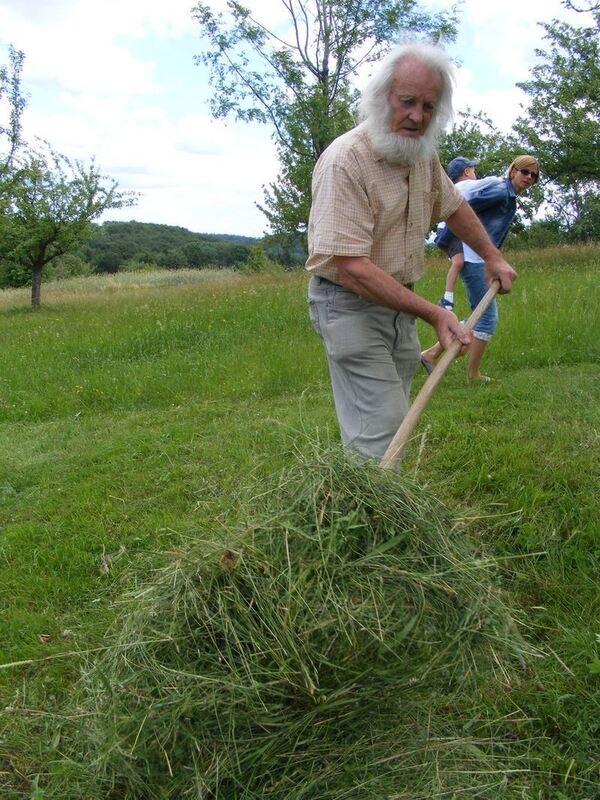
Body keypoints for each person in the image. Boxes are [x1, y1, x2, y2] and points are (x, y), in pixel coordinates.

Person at [305, 42, 517, 460]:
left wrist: (491, 255)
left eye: (428, 106)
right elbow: (352, 269)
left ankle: (370, 508)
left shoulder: (420, 155)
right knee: (382, 431)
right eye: (407, 102)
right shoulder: (345, 162)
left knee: (393, 413)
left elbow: (453, 207)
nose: (417, 116)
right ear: (381, 98)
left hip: (398, 302)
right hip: (348, 302)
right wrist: (436, 312)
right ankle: (369, 521)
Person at [421, 154, 539, 382]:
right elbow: (460, 204)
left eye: (533, 176)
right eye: (525, 172)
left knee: (481, 315)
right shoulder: (500, 190)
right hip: (473, 258)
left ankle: (432, 354)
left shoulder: (507, 194)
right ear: (513, 170)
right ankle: (472, 374)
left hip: (479, 258)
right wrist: (450, 242)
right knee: (486, 318)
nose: (529, 178)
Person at [435, 156, 479, 310]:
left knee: (460, 261)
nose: (475, 173)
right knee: (459, 261)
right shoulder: (465, 186)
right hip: (448, 231)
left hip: (449, 230)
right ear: (466, 172)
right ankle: (447, 299)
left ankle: (448, 299)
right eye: (473, 169)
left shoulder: (455, 189)